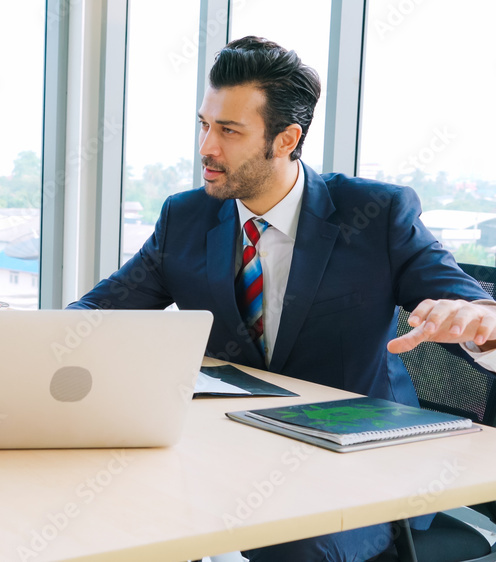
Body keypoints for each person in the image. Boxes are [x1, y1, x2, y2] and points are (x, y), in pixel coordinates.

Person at [69, 36, 496, 561]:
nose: (206, 147)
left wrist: (479, 320)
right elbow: (95, 315)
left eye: (228, 131)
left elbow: (469, 309)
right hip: (231, 449)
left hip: (359, 468)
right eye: (204, 125)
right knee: (116, 511)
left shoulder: (375, 215)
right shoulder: (186, 217)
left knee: (292, 547)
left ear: (286, 138)